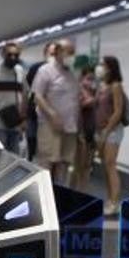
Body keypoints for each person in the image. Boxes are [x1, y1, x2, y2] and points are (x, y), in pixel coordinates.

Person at [32, 38, 80, 183]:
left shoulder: (71, 73)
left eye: (73, 53)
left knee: (64, 162)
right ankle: (45, 197)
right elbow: (38, 96)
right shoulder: (45, 71)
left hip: (70, 127)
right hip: (50, 126)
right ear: (58, 51)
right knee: (47, 162)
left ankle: (60, 195)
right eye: (69, 52)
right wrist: (52, 115)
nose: (72, 56)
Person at [95, 55, 127, 216]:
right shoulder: (102, 85)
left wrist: (106, 131)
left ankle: (115, 202)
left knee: (110, 164)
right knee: (105, 166)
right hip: (102, 130)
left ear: (110, 68)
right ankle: (109, 199)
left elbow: (118, 111)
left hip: (112, 130)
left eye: (103, 64)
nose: (99, 67)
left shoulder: (116, 86)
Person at [23, 42, 52, 161]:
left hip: (51, 116)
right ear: (45, 54)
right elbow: (28, 88)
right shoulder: (36, 68)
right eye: (51, 53)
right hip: (34, 113)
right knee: (32, 141)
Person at [71, 66, 98, 191]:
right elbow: (75, 107)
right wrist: (89, 101)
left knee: (87, 166)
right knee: (78, 166)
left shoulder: (94, 92)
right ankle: (73, 191)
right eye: (88, 78)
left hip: (91, 133)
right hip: (80, 133)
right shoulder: (77, 90)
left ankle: (83, 191)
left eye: (92, 79)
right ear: (82, 78)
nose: (90, 82)